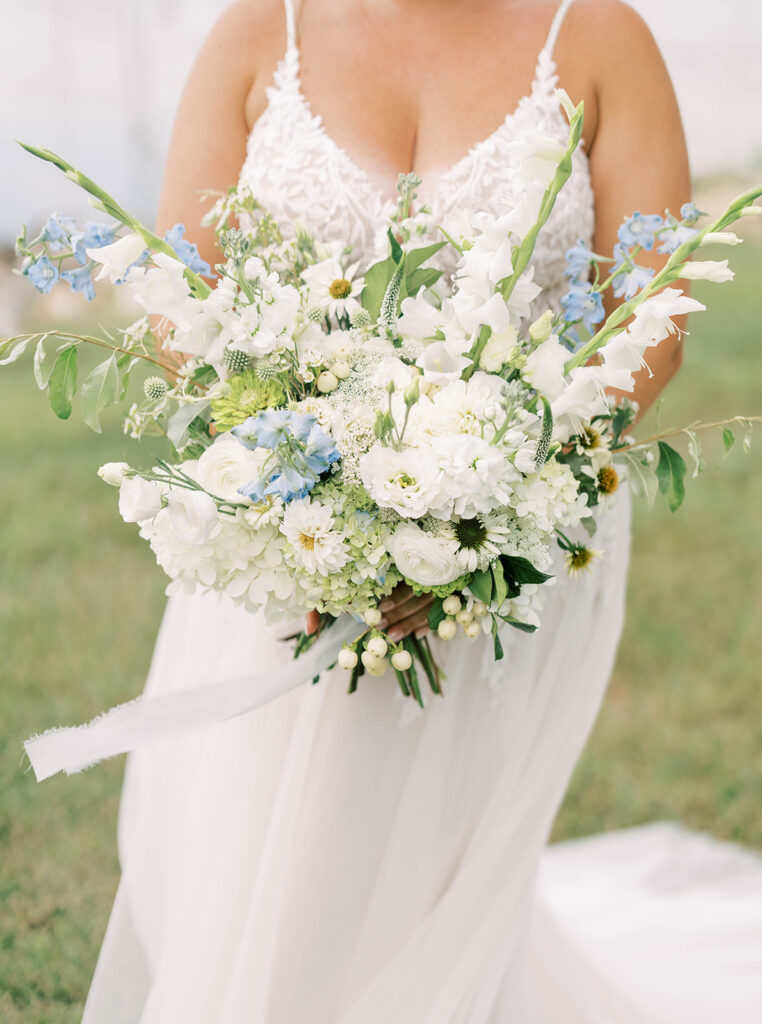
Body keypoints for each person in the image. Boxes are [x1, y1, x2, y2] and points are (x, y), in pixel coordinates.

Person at [81, 2, 762, 1021]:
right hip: (293, 529)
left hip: (514, 537)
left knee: (437, 867)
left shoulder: (598, 35)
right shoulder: (260, 34)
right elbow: (185, 302)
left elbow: (647, 322)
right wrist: (322, 491)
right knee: (280, 863)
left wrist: (477, 507)